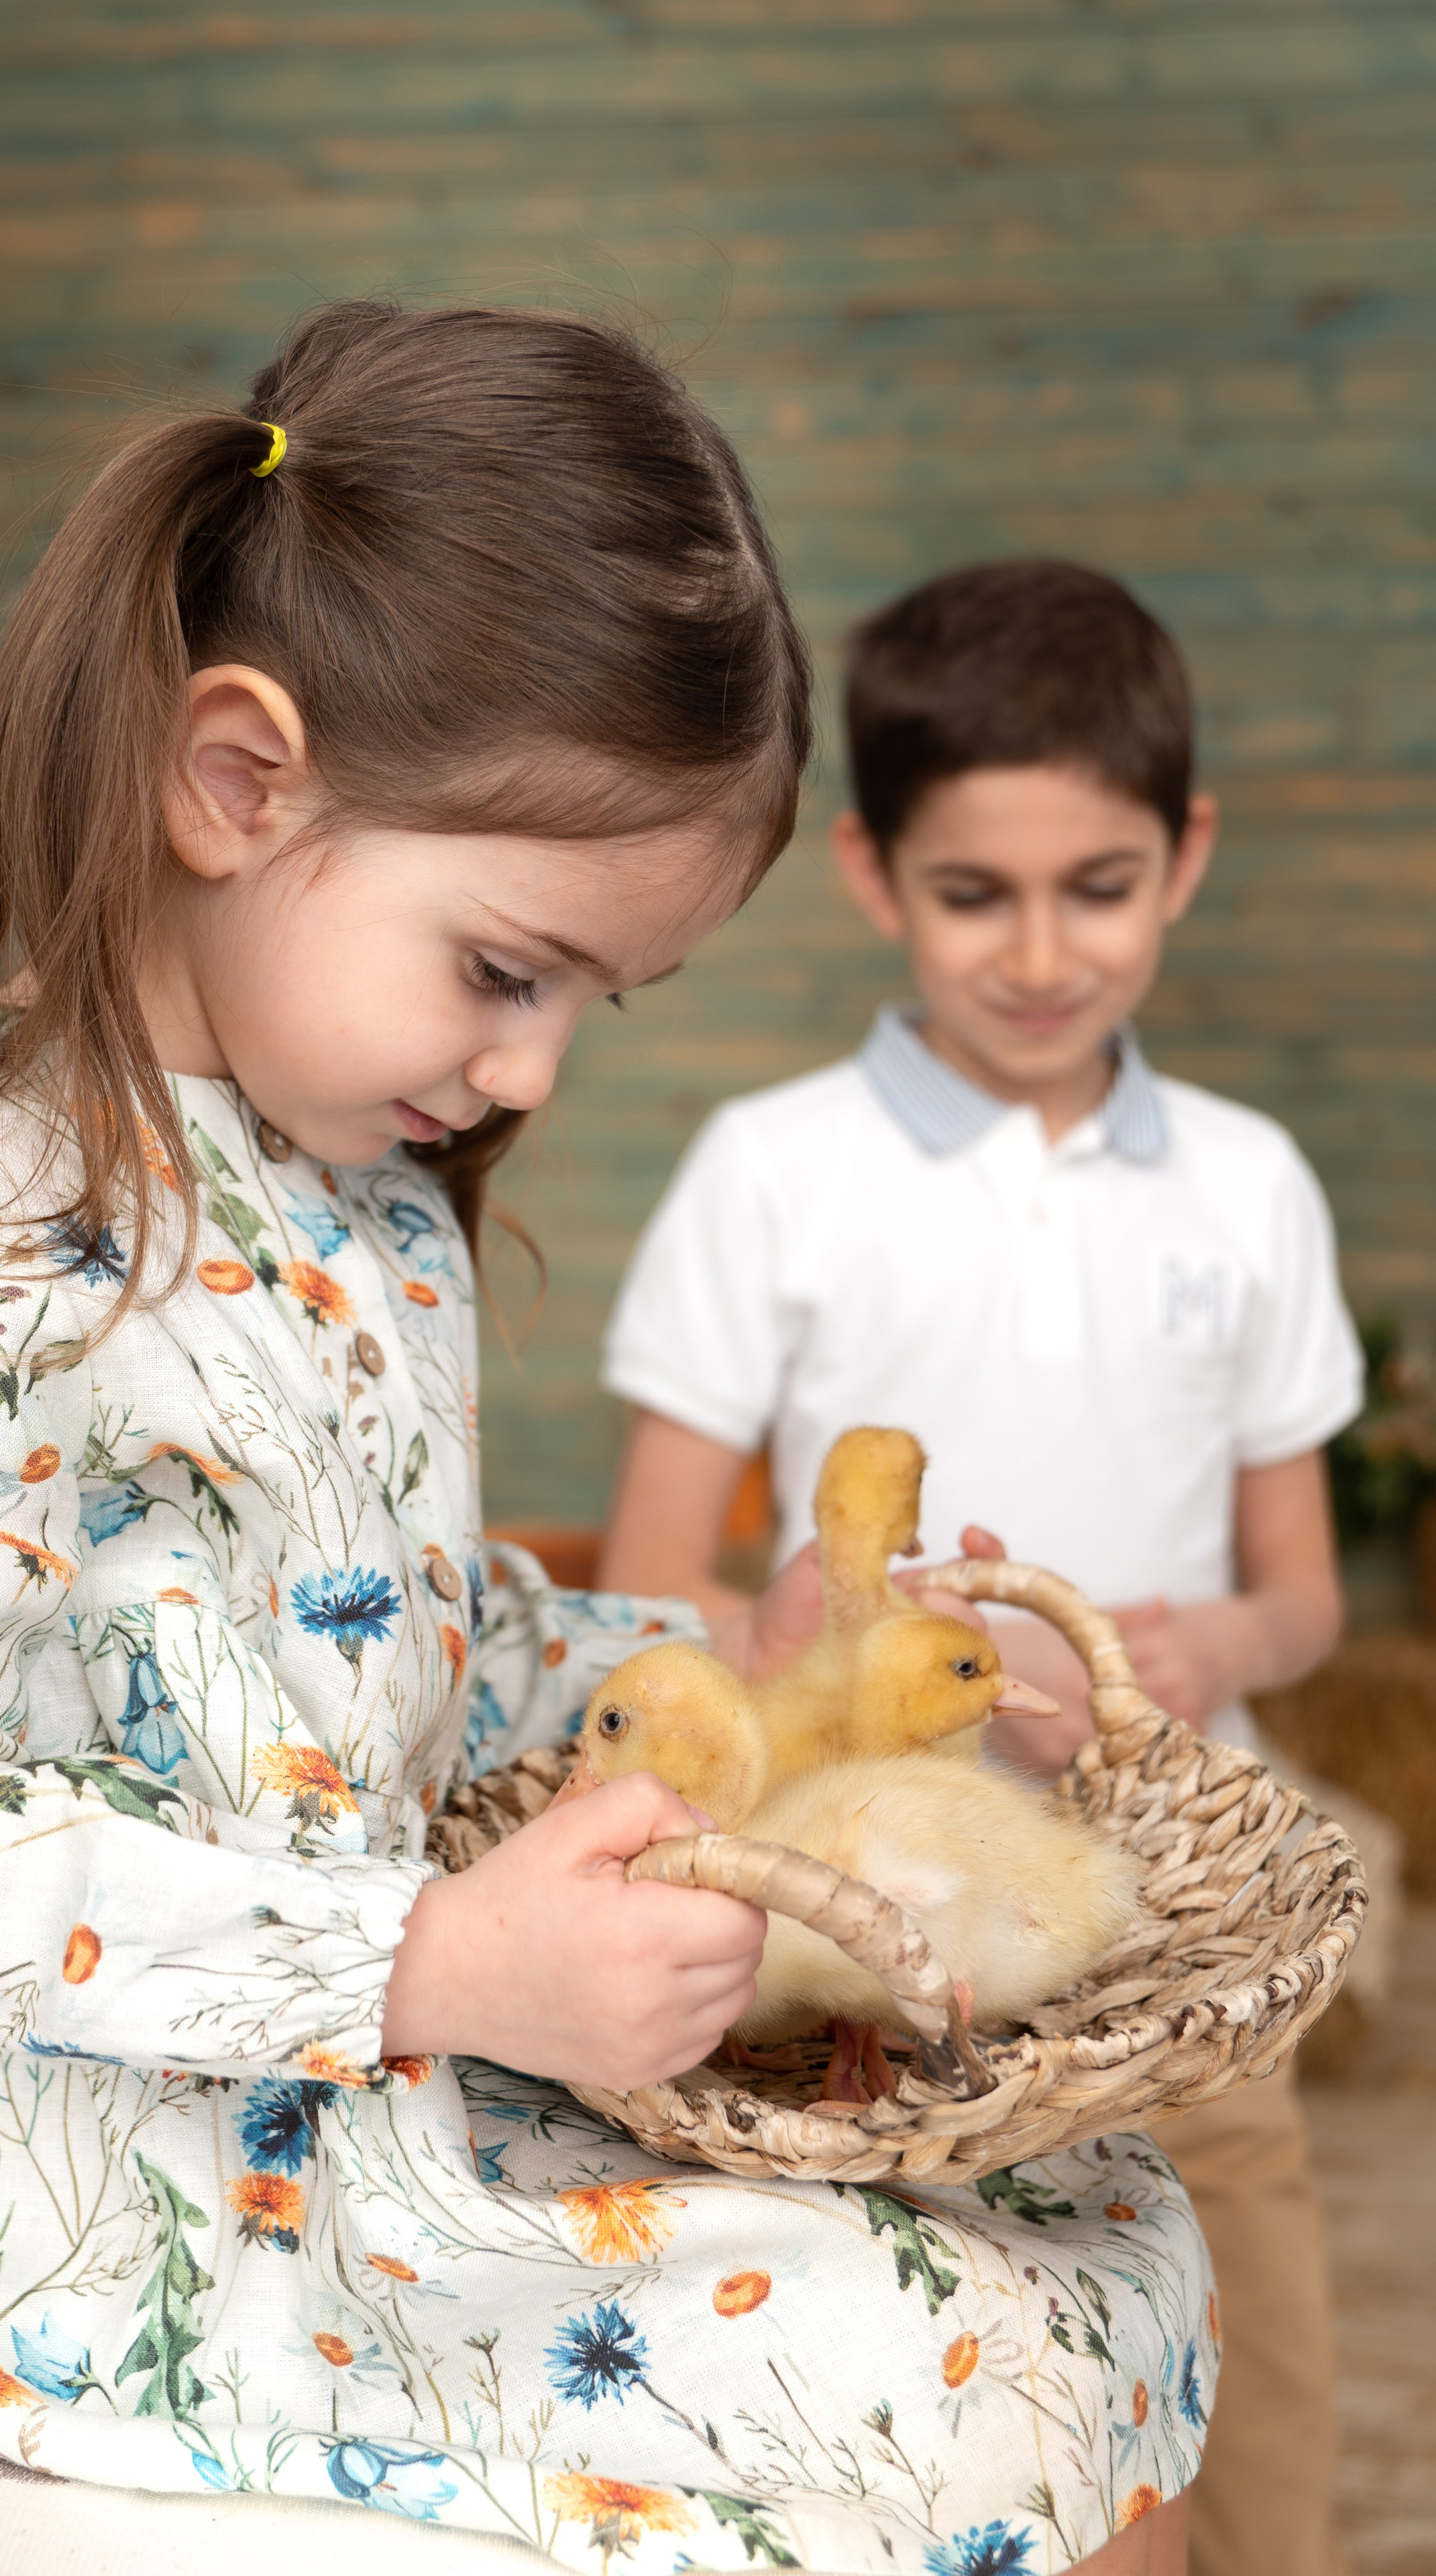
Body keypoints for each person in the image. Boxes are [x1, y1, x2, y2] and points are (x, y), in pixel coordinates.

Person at [0, 323, 1202, 2576]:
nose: (529, 1077)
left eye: (587, 1005)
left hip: (338, 2052)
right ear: (240, 780)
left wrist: (750, 1672)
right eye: (507, 969)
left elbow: (395, 1639)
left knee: (1087, 2219)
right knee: (954, 2376)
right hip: (36, 2169)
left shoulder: (356, 1204)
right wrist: (425, 1971)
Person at [600, 557, 1362, 2576]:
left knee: (1258, 2385)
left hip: (1183, 1952)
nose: (1039, 951)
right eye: (974, 893)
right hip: (870, 1960)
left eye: (1097, 886)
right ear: (870, 872)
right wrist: (806, 1637)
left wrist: (1214, 1641)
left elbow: (1308, 1598)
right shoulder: (773, 1175)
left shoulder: (1248, 1189)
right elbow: (662, 1574)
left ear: (1183, 859)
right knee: (975, 2448)